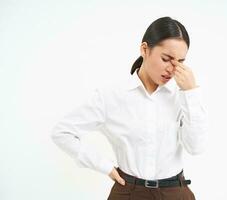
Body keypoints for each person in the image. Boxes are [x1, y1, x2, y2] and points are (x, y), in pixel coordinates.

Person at [51, 16, 208, 200]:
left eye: (180, 62)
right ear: (144, 49)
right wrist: (104, 166)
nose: (172, 69)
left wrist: (190, 93)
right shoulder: (111, 96)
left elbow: (196, 147)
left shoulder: (183, 96)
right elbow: (62, 132)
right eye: (166, 59)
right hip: (129, 192)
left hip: (175, 192)